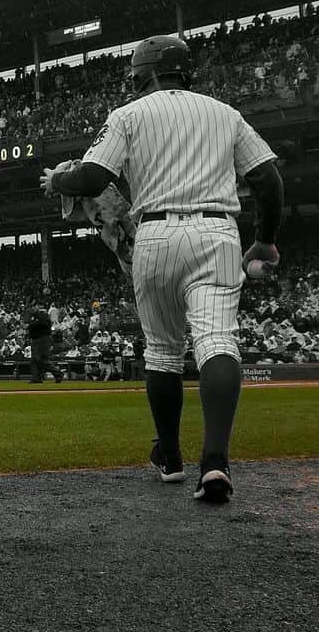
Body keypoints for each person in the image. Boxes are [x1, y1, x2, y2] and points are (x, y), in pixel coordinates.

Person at [41, 34, 283, 504]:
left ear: (143, 73)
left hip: (154, 233)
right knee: (216, 342)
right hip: (217, 232)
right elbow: (268, 179)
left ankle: (170, 458)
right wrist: (266, 240)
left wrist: (58, 180)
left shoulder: (128, 115)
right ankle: (214, 464)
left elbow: (93, 178)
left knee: (163, 352)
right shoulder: (225, 113)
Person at [27, 305, 63, 383]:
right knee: (34, 360)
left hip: (42, 339)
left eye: (33, 307)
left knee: (41, 359)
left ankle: (58, 373)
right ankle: (37, 378)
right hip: (36, 340)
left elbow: (43, 323)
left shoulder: (42, 314)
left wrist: (32, 325)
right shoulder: (35, 316)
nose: (31, 309)